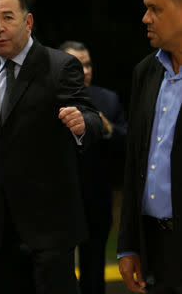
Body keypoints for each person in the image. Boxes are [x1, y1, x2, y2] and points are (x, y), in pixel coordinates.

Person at [0, 0, 102, 294]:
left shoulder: (60, 67)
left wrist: (82, 124)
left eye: (7, 18)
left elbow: (92, 119)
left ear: (28, 22)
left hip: (50, 229)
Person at [118, 0, 182, 294]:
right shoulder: (145, 72)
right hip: (154, 246)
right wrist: (129, 246)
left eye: (155, 9)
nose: (145, 18)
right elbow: (134, 164)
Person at [61, 41, 127, 294]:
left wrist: (107, 128)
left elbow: (127, 139)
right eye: (77, 65)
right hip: (59, 201)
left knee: (94, 270)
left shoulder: (108, 99)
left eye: (87, 64)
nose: (85, 70)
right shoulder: (48, 99)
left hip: (96, 198)